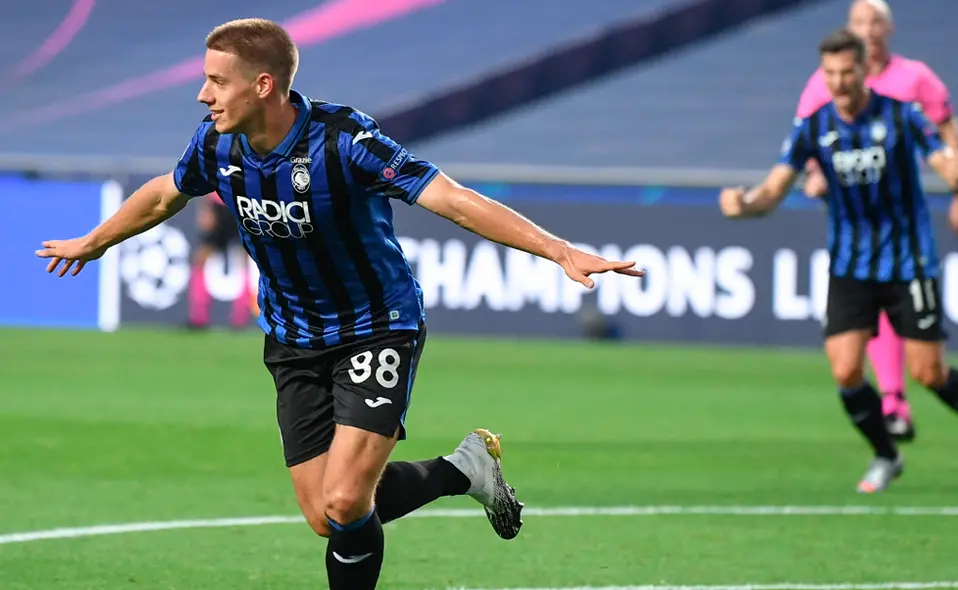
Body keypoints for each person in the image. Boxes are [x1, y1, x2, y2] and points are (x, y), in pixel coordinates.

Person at [34, 18, 644, 589]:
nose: (203, 94)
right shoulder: (217, 146)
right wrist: (95, 242)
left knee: (347, 501)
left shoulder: (344, 141)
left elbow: (452, 199)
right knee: (329, 516)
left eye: (217, 80)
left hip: (375, 329)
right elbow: (166, 195)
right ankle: (464, 469)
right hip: (293, 338)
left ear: (263, 84)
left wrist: (556, 248)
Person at [718, 28, 958, 493]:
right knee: (846, 370)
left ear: (865, 69)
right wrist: (745, 204)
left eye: (847, 72)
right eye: (830, 73)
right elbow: (773, 191)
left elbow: (944, 158)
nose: (839, 83)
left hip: (909, 262)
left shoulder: (901, 116)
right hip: (851, 266)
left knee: (929, 373)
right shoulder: (813, 126)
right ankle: (886, 455)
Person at [795, 0, 958, 442]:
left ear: (889, 29)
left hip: (901, 226)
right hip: (853, 227)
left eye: (875, 21)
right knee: (851, 346)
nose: (868, 29)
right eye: (859, 22)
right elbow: (805, 142)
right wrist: (814, 176)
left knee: (924, 360)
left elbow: (948, 133)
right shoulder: (825, 81)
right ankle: (892, 404)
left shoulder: (914, 80)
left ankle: (903, 400)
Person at [188, 191, 254, 329]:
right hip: (230, 205)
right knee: (202, 260)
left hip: (236, 204)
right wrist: (206, 209)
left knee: (243, 261)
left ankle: (238, 318)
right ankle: (200, 317)